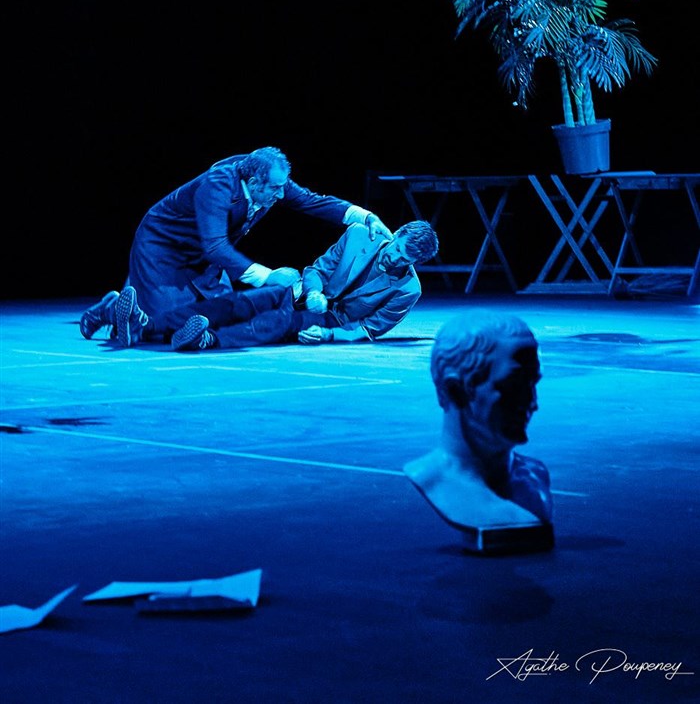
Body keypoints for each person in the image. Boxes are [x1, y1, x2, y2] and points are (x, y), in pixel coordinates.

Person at [80, 146, 392, 340]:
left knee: (214, 315)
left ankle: (128, 314)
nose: (281, 195)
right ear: (254, 183)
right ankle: (111, 310)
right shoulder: (217, 186)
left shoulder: (269, 180)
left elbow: (312, 201)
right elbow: (216, 247)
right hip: (164, 247)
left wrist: (365, 217)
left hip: (203, 255)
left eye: (282, 187)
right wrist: (268, 276)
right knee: (161, 327)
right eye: (275, 188)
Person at [84, 220, 439, 350]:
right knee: (235, 303)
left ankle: (209, 340)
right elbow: (317, 268)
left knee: (279, 322)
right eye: (396, 249)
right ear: (396, 234)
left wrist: (330, 333)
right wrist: (314, 290)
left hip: (331, 319)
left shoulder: (408, 289)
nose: (394, 258)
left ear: (414, 263)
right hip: (302, 293)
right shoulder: (360, 235)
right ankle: (145, 326)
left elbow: (370, 328)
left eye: (404, 260)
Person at [403, 309, 554, 550]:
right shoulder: (431, 479)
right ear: (456, 390)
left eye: (533, 383)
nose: (533, 404)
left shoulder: (534, 477)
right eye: (513, 387)